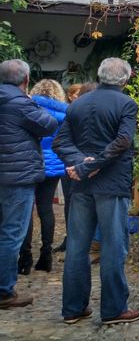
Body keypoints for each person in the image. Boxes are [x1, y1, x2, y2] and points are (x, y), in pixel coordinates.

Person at [53, 58, 139, 325]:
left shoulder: (78, 102)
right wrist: (94, 164)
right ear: (125, 80)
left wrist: (82, 163)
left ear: (101, 76)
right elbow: (124, 140)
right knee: (114, 246)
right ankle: (114, 309)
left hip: (81, 183)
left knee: (78, 246)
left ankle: (73, 308)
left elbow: (61, 141)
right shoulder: (126, 103)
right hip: (111, 184)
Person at [0, 59, 58, 309]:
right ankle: (4, 291)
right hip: (17, 176)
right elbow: (49, 125)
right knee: (12, 233)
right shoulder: (21, 103)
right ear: (25, 80)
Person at [18, 79, 68, 274]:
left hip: (31, 162)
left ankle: (25, 257)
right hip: (54, 164)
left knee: (27, 210)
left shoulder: (29, 107)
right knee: (46, 208)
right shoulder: (64, 113)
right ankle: (46, 255)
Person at [53, 83, 83, 254]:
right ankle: (71, 236)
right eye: (77, 94)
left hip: (78, 160)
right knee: (69, 199)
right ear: (70, 96)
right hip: (69, 161)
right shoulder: (67, 113)